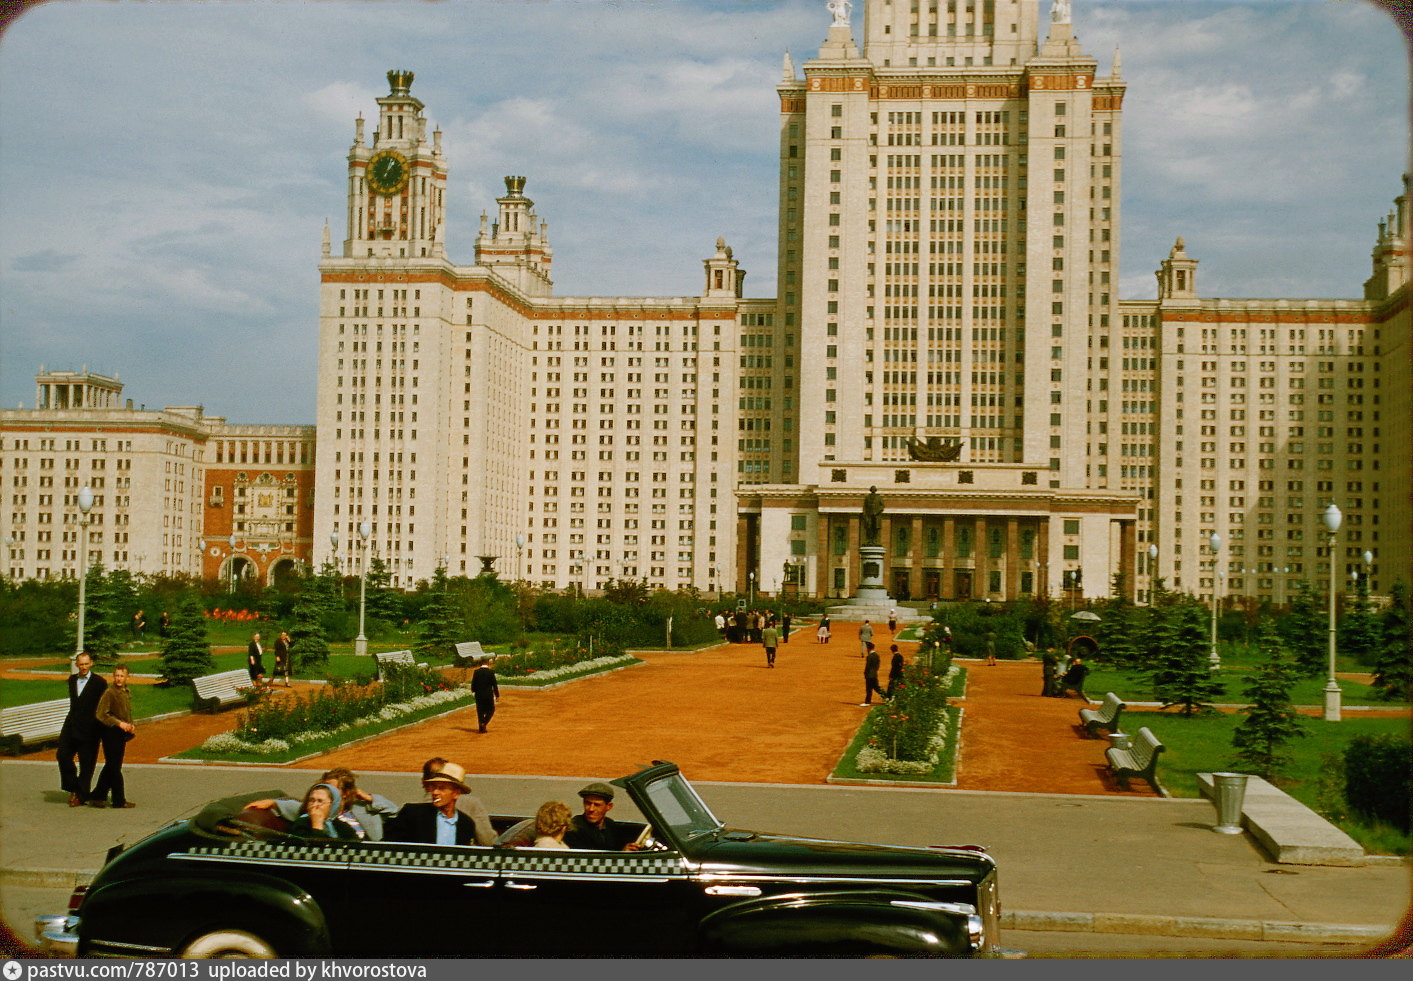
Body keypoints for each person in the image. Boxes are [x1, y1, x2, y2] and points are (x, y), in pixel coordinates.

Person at [247, 767, 399, 840]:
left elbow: (394, 811)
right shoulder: (313, 813)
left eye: (332, 789)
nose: (316, 804)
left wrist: (368, 798)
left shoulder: (361, 809)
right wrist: (271, 802)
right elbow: (295, 806)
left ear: (345, 793)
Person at [385, 761, 490, 846]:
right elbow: (386, 846)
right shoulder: (412, 813)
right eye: (434, 787)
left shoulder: (466, 823)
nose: (435, 792)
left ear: (456, 793)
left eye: (442, 788)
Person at [58, 652, 107, 807]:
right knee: (63, 755)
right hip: (71, 726)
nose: (84, 667)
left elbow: (103, 706)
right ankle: (73, 787)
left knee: (87, 765)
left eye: (86, 664)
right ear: (77, 665)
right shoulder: (72, 680)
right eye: (81, 664)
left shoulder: (100, 683)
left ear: (91, 663)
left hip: (90, 729)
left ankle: (80, 795)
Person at [89, 664, 136, 809]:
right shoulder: (110, 692)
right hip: (110, 732)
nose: (119, 679)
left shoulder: (126, 691)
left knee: (112, 765)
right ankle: (118, 800)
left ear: (127, 677)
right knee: (115, 767)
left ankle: (97, 796)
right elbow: (101, 713)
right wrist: (119, 723)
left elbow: (125, 712)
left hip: (121, 732)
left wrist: (130, 724)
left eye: (122, 676)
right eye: (116, 675)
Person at [563, 782, 641, 851]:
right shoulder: (574, 828)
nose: (591, 809)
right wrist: (622, 854)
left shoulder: (610, 825)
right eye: (588, 803)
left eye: (597, 805)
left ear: (609, 806)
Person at [290, 782, 359, 839]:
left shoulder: (341, 826)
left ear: (332, 805)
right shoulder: (301, 824)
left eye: (320, 801)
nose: (314, 805)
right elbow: (313, 851)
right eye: (312, 800)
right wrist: (317, 826)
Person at [471, 657, 500, 733]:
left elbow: (473, 684)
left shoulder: (476, 672)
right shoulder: (490, 672)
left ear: (481, 663)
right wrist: (497, 695)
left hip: (479, 694)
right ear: (488, 663)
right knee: (491, 709)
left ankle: (481, 728)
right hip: (488, 695)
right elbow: (494, 685)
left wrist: (473, 691)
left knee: (480, 711)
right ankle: (484, 723)